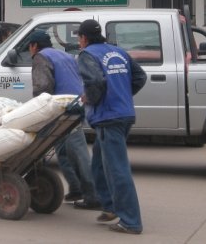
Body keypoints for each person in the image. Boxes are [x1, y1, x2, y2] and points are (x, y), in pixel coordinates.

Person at [77, 19, 147, 235]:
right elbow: (140, 77)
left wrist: (89, 98)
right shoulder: (118, 52)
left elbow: (95, 82)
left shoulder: (87, 55)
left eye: (79, 38)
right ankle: (108, 206)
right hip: (124, 114)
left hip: (108, 117)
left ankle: (131, 221)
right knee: (98, 163)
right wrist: (122, 96)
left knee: (118, 170)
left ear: (84, 38)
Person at [28, 29, 101, 210]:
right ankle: (76, 188)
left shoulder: (40, 57)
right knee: (62, 150)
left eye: (29, 47)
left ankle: (93, 196)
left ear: (34, 46)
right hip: (77, 104)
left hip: (64, 109)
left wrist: (37, 111)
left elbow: (43, 87)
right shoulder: (64, 55)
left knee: (78, 151)